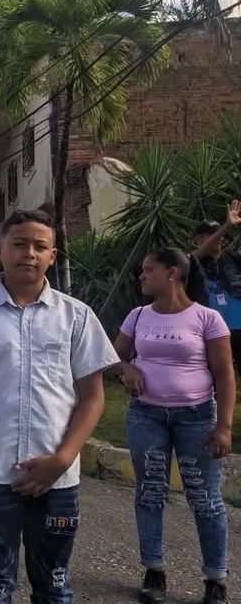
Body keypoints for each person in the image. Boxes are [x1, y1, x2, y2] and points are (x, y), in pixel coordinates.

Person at [0, 209, 120, 604]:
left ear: (52, 255)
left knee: (53, 586)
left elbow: (93, 396)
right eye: (19, 244)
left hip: (57, 476)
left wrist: (63, 458)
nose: (29, 254)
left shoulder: (77, 317)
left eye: (40, 246)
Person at [112, 247, 235, 604]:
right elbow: (114, 355)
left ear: (172, 273)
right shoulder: (138, 316)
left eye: (148, 270)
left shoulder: (207, 318)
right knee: (150, 493)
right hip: (146, 416)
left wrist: (224, 425)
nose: (141, 276)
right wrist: (129, 369)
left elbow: (225, 376)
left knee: (205, 499)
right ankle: (154, 571)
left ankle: (216, 579)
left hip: (196, 418)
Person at [193, 200, 241, 362]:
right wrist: (226, 226)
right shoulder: (193, 263)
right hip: (213, 332)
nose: (220, 237)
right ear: (200, 238)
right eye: (213, 233)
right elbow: (194, 256)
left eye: (220, 233)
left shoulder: (233, 259)